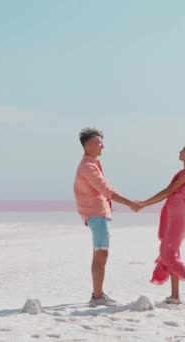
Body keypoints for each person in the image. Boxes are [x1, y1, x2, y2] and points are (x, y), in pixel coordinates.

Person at [73, 127, 141, 307]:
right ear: (89, 145)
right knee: (101, 254)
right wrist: (131, 204)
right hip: (97, 215)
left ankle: (98, 293)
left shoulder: (93, 164)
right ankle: (97, 297)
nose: (103, 146)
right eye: (99, 143)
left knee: (100, 254)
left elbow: (106, 188)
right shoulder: (88, 167)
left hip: (99, 214)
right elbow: (107, 190)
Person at [139, 142, 185, 305]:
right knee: (172, 253)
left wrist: (144, 203)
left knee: (168, 255)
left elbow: (168, 191)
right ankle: (175, 296)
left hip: (179, 216)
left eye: (183, 149)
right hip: (175, 216)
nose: (179, 151)